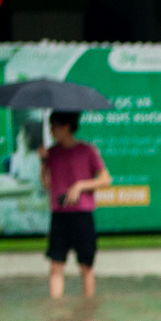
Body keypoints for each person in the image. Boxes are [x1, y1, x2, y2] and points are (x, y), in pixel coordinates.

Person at [40, 111, 112, 299]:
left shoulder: (87, 150)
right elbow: (46, 185)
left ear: (66, 127)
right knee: (56, 265)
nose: (52, 131)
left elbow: (105, 179)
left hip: (82, 215)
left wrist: (80, 186)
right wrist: (42, 161)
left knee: (85, 266)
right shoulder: (52, 153)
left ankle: (88, 310)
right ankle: (56, 310)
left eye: (54, 127)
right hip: (60, 214)